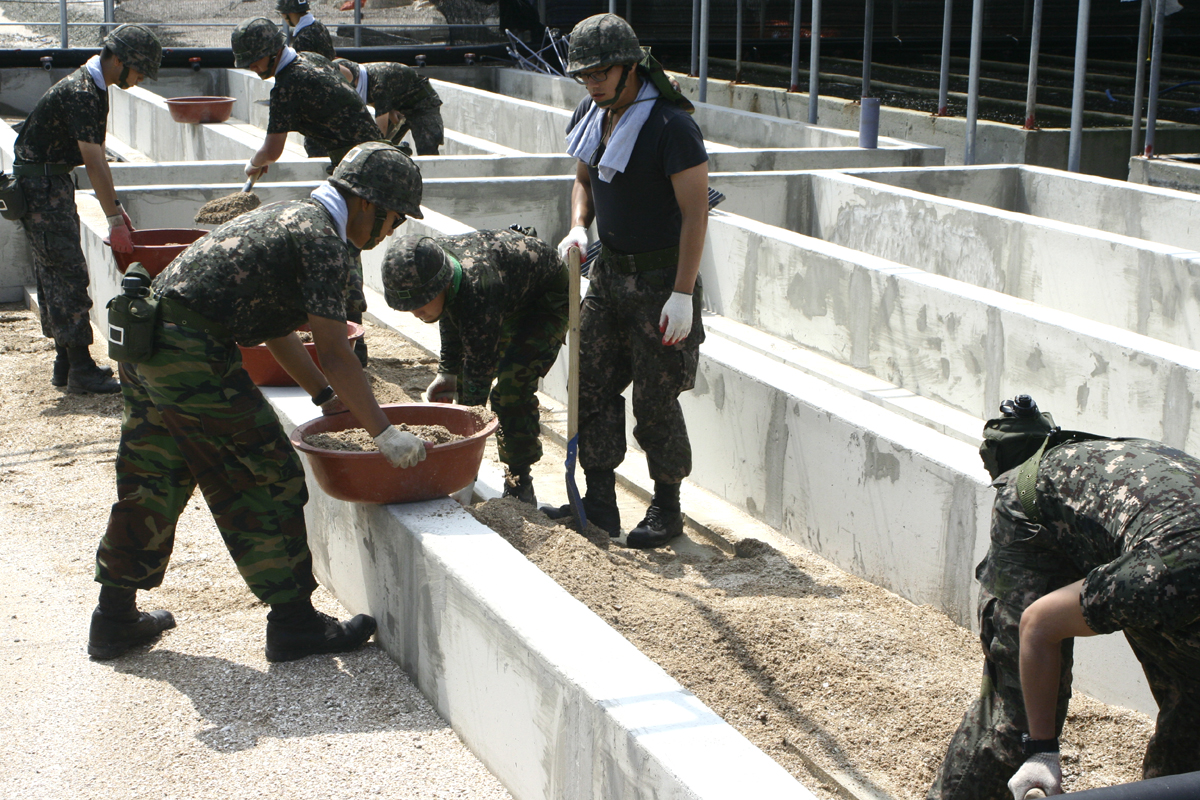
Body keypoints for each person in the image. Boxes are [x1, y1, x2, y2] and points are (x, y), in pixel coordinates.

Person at [88, 142, 428, 663]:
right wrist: (384, 433)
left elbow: (273, 328)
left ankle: (112, 618)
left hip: (147, 338)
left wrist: (323, 397)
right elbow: (338, 352)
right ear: (367, 203)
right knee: (266, 472)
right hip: (189, 350)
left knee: (153, 473)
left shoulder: (290, 216)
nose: (389, 234)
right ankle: (294, 624)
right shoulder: (325, 242)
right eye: (394, 220)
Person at [929, 398, 1200, 800]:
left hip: (1140, 518)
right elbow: (1039, 625)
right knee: (1017, 722)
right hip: (1039, 510)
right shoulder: (1163, 581)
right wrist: (1042, 752)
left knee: (1194, 709)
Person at [545, 13, 708, 549]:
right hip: (609, 276)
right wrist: (577, 225)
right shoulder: (594, 116)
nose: (591, 84)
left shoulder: (670, 127)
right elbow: (583, 179)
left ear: (628, 67)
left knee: (656, 400)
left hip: (661, 282)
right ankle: (598, 503)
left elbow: (695, 214)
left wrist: (682, 294)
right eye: (584, 75)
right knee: (587, 384)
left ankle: (666, 509)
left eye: (600, 73)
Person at [11, 24, 162, 394]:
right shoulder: (83, 92)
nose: (140, 78)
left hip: (48, 182)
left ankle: (66, 362)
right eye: (140, 70)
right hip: (42, 186)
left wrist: (117, 209)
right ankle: (80, 368)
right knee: (67, 274)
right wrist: (114, 220)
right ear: (121, 61)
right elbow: (94, 160)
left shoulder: (93, 86)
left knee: (54, 272)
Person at [232, 16, 385, 365]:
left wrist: (254, 163)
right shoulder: (309, 60)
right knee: (345, 248)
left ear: (272, 53)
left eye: (254, 60)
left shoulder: (288, 84)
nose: (252, 68)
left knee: (341, 251)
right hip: (366, 162)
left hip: (361, 173)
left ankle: (352, 345)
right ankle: (351, 340)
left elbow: (272, 150)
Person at [382, 228, 568, 505]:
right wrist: (447, 371)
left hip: (544, 299)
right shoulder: (437, 262)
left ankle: (519, 483)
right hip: (507, 291)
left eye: (420, 303)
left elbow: (476, 386)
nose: (416, 312)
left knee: (509, 390)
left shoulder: (480, 288)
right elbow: (451, 310)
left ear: (441, 285)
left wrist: (464, 474)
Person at [333, 58, 444, 156]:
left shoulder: (377, 82)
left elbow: (382, 129)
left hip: (423, 105)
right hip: (398, 106)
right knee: (390, 148)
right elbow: (374, 100)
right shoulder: (361, 78)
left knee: (427, 152)